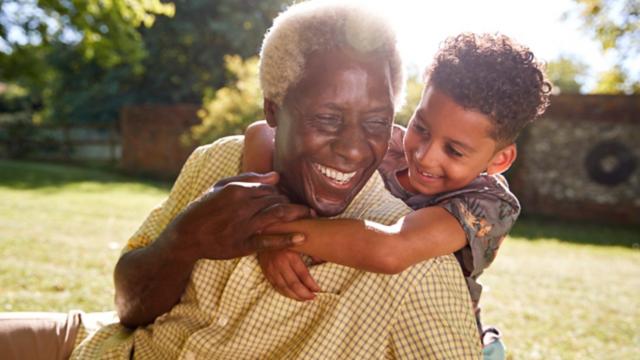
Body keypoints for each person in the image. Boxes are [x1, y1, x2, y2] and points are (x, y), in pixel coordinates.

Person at [0, 2, 481, 359]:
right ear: (273, 110)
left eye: (376, 123)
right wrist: (184, 240)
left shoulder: (416, 269)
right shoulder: (220, 162)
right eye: (328, 119)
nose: (355, 148)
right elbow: (128, 308)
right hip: (101, 346)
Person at [242, 32, 551, 354]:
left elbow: (390, 249)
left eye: (454, 151)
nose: (426, 156)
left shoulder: (488, 204)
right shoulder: (384, 144)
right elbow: (262, 132)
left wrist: (268, 233)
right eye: (421, 128)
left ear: (500, 159)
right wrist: (267, 208)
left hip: (435, 337)